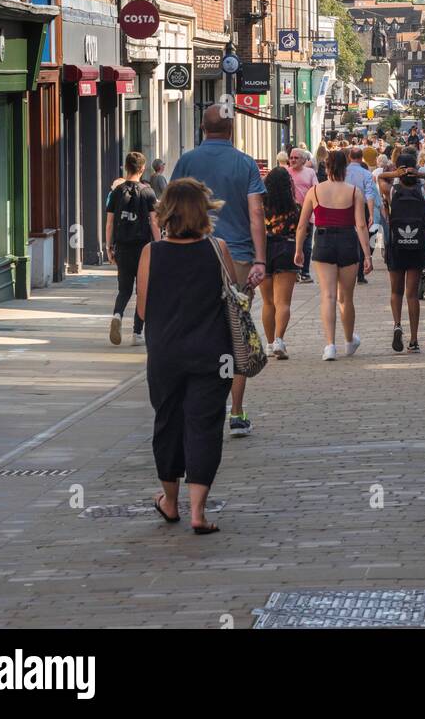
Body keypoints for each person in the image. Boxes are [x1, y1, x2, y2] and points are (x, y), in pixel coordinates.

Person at [136, 178, 236, 534]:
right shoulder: (217, 248)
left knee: (168, 422)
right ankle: (198, 511)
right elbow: (234, 297)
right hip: (214, 355)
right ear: (202, 211)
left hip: (166, 353)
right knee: (205, 426)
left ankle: (168, 502)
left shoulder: (152, 253)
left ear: (167, 213)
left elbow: (144, 310)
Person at [171, 105, 266, 438]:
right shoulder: (245, 163)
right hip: (238, 259)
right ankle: (236, 413)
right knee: (235, 334)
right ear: (231, 129)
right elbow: (256, 214)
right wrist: (260, 261)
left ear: (201, 127)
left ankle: (196, 406)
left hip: (191, 257)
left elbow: (171, 209)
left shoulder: (186, 162)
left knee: (194, 331)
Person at [295, 149, 372, 360]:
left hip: (324, 241)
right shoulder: (354, 191)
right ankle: (349, 341)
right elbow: (361, 225)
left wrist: (298, 249)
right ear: (345, 168)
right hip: (348, 242)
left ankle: (329, 346)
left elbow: (302, 225)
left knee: (327, 295)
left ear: (326, 167)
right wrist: (367, 255)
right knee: (346, 297)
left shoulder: (315, 192)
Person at [105, 151, 161, 347]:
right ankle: (137, 333)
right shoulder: (148, 192)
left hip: (122, 246)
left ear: (126, 167)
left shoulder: (116, 192)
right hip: (143, 248)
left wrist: (108, 247)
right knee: (142, 291)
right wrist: (159, 244)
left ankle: (118, 316)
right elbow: (154, 222)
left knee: (124, 289)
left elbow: (110, 223)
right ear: (143, 168)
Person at [386, 156, 425, 353]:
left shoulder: (392, 190)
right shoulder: (421, 190)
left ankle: (397, 323)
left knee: (395, 291)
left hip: (397, 245)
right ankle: (414, 340)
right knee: (412, 294)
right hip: (416, 246)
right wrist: (419, 173)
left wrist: (394, 174)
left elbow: (380, 178)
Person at [261, 165, 301, 358]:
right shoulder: (295, 208)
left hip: (264, 250)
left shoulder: (261, 207)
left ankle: (268, 344)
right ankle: (279, 340)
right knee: (283, 302)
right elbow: (303, 231)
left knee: (268, 302)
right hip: (286, 249)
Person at [347, 145, 380, 283]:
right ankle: (360, 273)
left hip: (346, 207)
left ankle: (348, 271)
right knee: (363, 239)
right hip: (363, 207)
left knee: (349, 238)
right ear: (361, 158)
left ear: (350, 158)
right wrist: (371, 214)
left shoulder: (343, 172)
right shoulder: (366, 174)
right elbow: (370, 195)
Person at [289, 148, 318, 284]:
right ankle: (294, 271)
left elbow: (316, 189)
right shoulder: (286, 172)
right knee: (292, 242)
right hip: (291, 214)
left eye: (296, 158)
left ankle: (305, 272)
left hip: (307, 213)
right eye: (291, 157)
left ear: (303, 160)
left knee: (306, 244)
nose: (293, 160)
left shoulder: (310, 172)